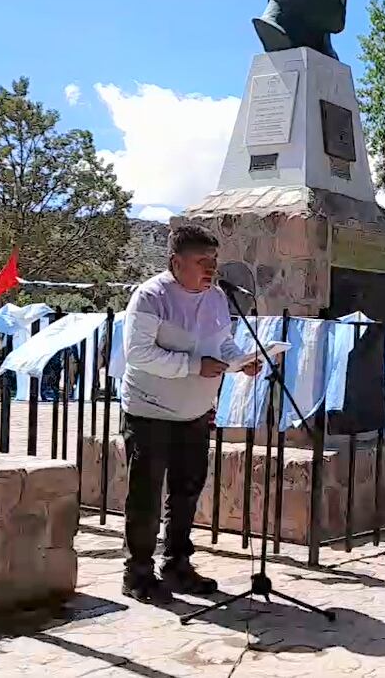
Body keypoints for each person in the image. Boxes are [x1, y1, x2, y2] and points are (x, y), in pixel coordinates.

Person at [120, 224, 262, 603]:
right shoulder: (151, 297)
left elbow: (222, 343)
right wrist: (193, 366)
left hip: (195, 413)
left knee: (186, 493)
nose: (211, 268)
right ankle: (137, 574)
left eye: (214, 261)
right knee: (146, 495)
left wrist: (240, 361)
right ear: (175, 262)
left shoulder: (216, 298)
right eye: (202, 261)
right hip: (150, 411)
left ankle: (177, 565)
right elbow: (138, 354)